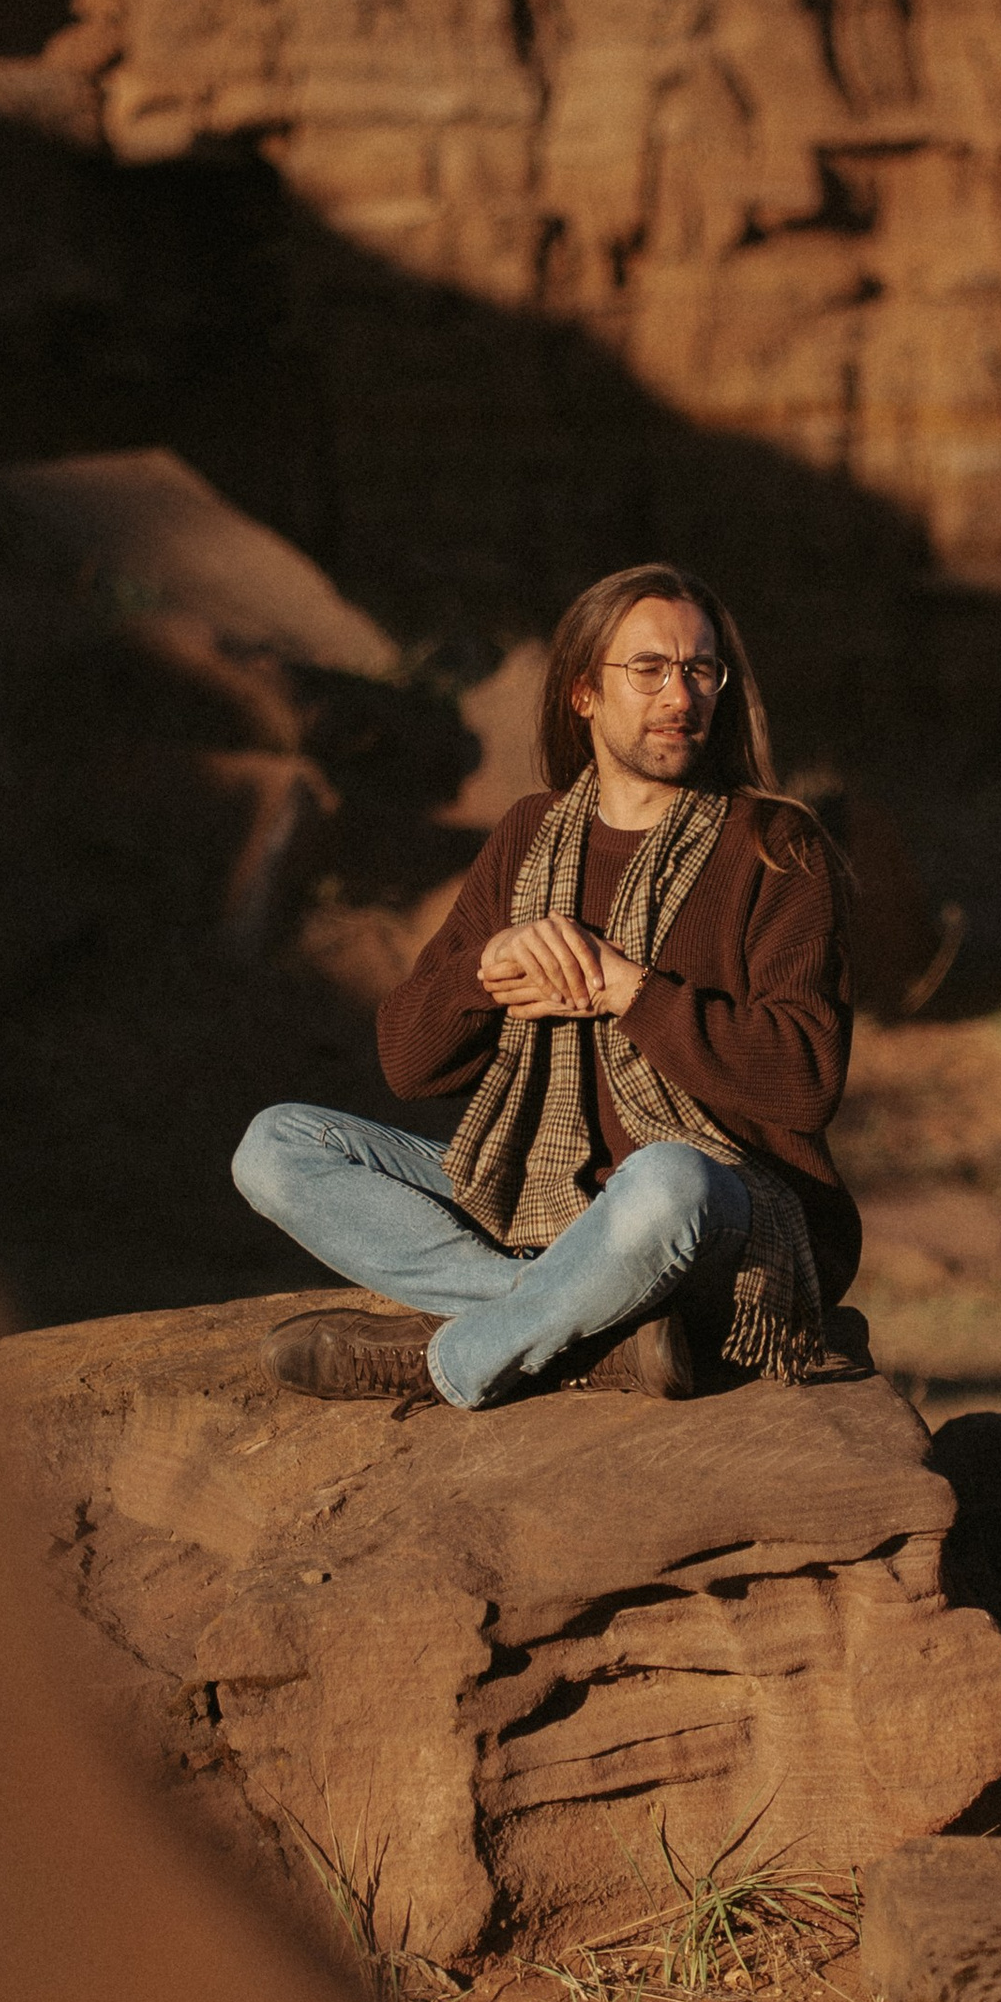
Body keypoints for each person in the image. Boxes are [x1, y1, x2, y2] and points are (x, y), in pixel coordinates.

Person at [231, 563, 861, 1408]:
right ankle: (583, 1334)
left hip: (721, 1206)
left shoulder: (775, 845)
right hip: (537, 1194)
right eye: (649, 669)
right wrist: (486, 973)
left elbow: (805, 1079)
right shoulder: (530, 833)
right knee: (275, 1148)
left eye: (700, 669)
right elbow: (408, 1065)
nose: (681, 695)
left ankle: (444, 1362)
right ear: (583, 693)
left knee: (665, 1180)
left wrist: (629, 990)